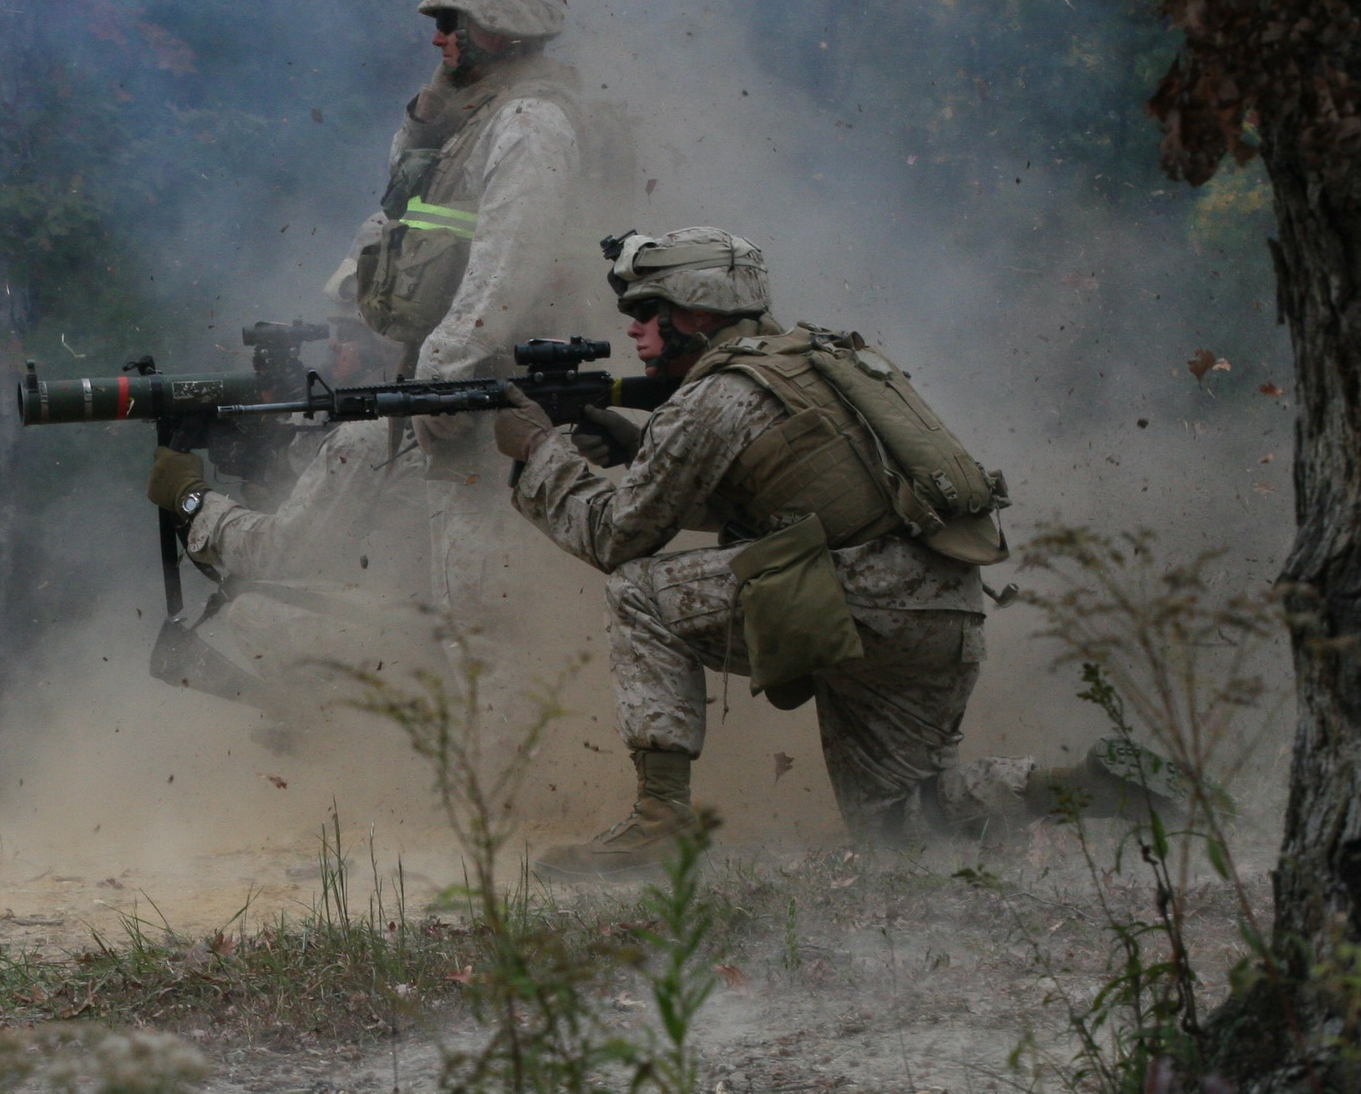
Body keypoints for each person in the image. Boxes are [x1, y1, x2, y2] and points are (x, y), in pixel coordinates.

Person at [497, 228, 1173, 878]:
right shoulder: (815, 360)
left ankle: (658, 820)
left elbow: (615, 537)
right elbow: (787, 502)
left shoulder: (712, 395)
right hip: (944, 604)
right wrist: (637, 449)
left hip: (857, 599)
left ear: (698, 309)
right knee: (901, 823)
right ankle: (1086, 785)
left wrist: (539, 453)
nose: (633, 331)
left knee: (638, 590)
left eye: (647, 311)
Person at [143, 0, 631, 706]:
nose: (438, 36)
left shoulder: (531, 123)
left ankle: (498, 775)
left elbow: (508, 269)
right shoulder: (463, 118)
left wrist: (438, 380)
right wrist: (361, 322)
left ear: (498, 23)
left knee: (478, 618)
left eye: (451, 20)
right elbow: (401, 228)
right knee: (448, 610)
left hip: (490, 399)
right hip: (455, 394)